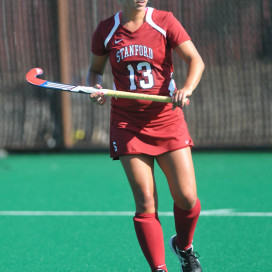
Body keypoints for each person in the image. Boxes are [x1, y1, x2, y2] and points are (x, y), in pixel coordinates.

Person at [87, 0, 205, 271]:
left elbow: (195, 61)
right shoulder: (106, 29)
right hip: (127, 125)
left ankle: (184, 247)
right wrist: (95, 87)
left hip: (167, 120)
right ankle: (159, 268)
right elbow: (95, 70)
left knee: (187, 198)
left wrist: (186, 88)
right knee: (145, 200)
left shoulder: (165, 21)